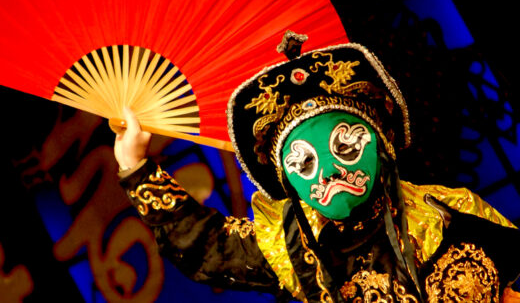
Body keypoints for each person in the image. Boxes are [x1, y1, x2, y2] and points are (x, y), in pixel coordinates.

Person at [114, 32, 520, 302]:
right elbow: (209, 247)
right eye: (303, 163)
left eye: (345, 146)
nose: (327, 173)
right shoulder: (293, 243)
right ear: (287, 179)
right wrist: (136, 166)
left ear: (382, 148)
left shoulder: (450, 213)